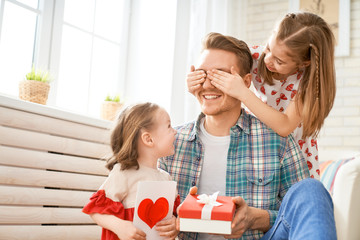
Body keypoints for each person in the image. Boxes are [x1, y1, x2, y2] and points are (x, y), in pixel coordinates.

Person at [159, 32, 336, 239]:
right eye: (202, 74)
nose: (208, 84)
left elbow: (295, 217)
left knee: (311, 190)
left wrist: (255, 217)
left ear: (245, 81)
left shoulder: (277, 141)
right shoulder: (171, 142)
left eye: (221, 76)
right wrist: (173, 221)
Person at [187, 12, 336, 179]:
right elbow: (221, 68)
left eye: (279, 61)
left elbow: (284, 126)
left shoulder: (308, 82)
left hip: (293, 147)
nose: (268, 60)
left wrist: (243, 93)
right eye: (268, 48)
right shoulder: (256, 57)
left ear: (303, 63)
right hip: (261, 141)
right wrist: (199, 83)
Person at [83, 102, 180, 240]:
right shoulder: (124, 174)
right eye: (169, 126)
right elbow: (95, 211)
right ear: (148, 139)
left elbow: (171, 217)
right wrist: (119, 226)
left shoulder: (166, 178)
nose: (175, 131)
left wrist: (174, 225)